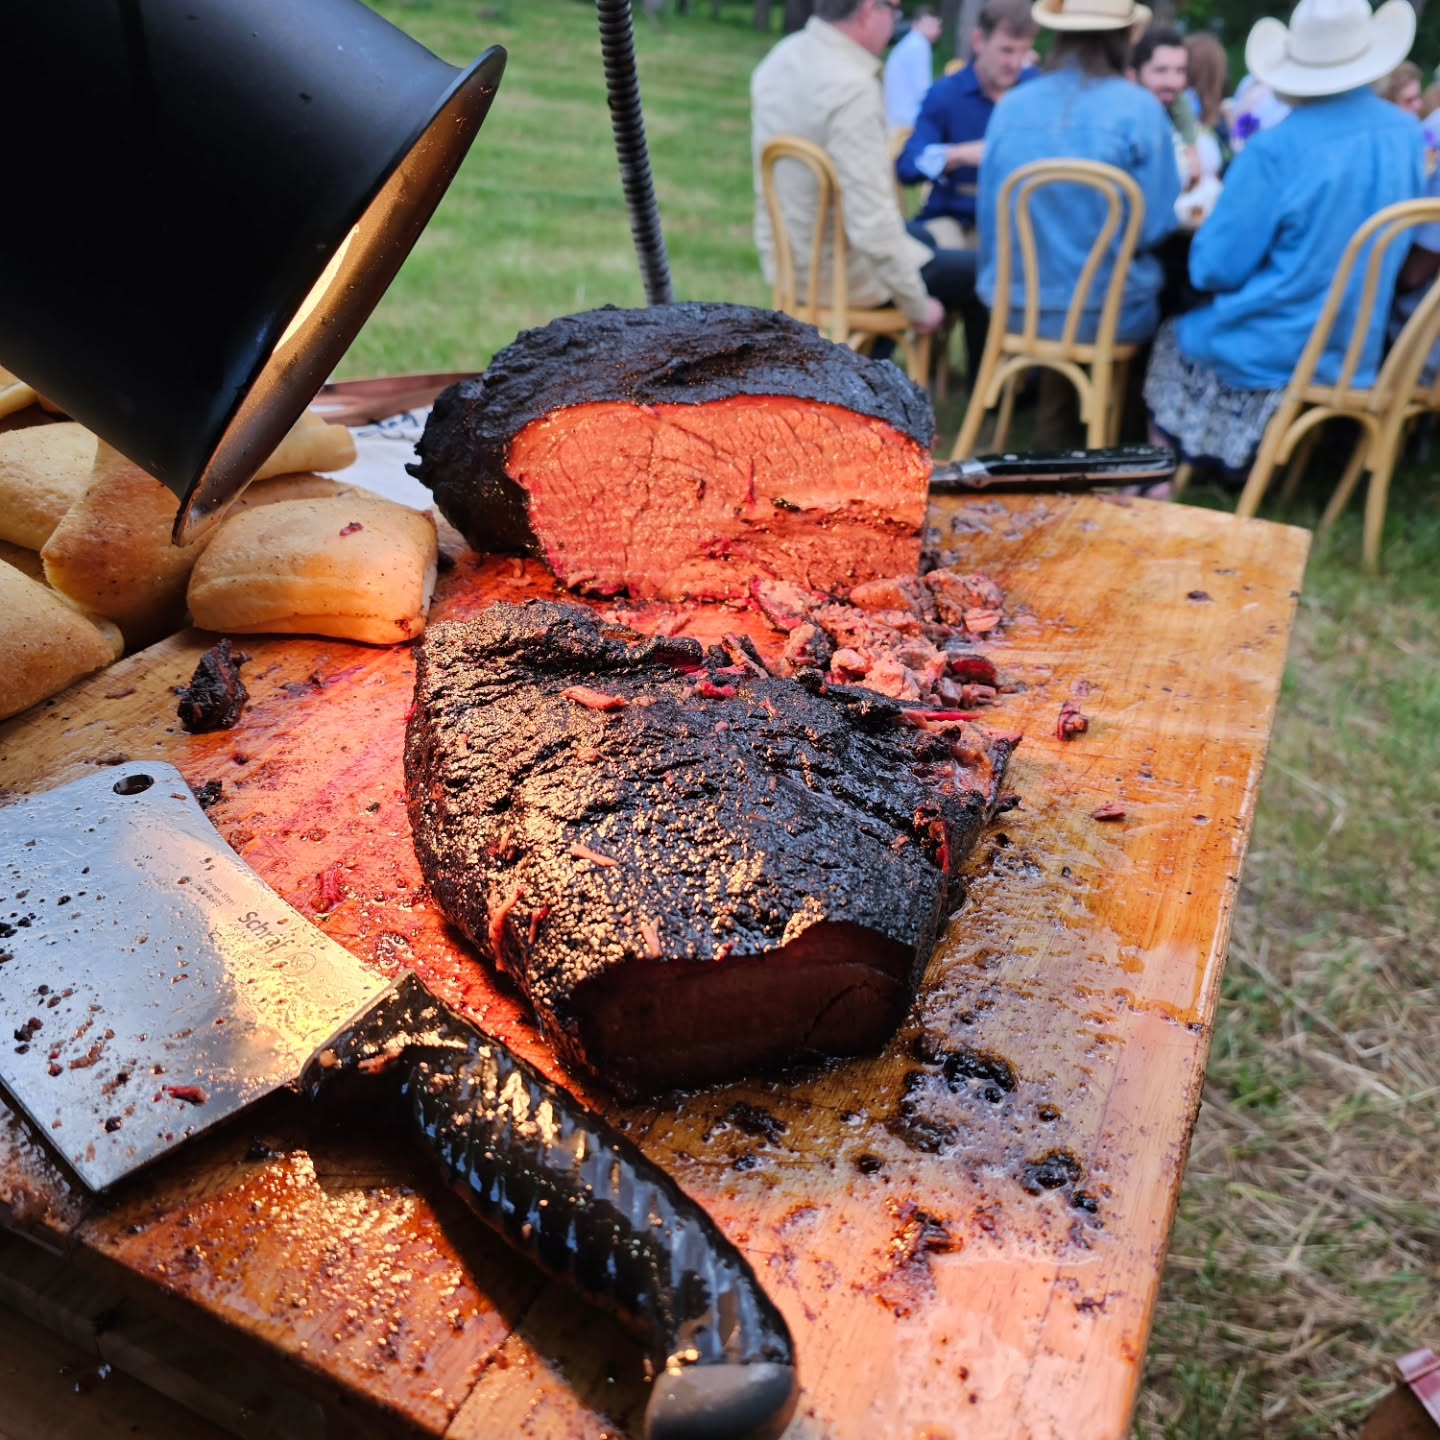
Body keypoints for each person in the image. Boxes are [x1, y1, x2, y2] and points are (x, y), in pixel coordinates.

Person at [1144, 0, 1425, 478]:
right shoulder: (1407, 134)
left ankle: (1172, 467)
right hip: (1360, 344)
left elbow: (1213, 268)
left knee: (1174, 334)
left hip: (1276, 348)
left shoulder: (1277, 149)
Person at [752, 0, 981, 344]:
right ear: (868, 10)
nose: (895, 21)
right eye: (894, 10)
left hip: (790, 262)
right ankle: (990, 395)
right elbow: (871, 225)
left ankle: (870, 368)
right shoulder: (852, 88)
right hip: (842, 277)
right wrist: (919, 307)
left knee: (927, 238)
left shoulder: (781, 57)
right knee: (984, 272)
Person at [976, 0, 1180, 349]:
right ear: (1124, 38)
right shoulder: (1141, 109)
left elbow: (989, 217)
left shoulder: (1011, 106)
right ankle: (1119, 402)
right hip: (1107, 313)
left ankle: (1053, 400)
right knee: (1175, 283)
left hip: (1012, 305)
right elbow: (1154, 226)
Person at [895, 0, 1040, 247]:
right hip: (956, 220)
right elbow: (908, 167)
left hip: (1021, 222)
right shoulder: (946, 94)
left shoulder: (1036, 90)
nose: (1014, 64)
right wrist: (959, 155)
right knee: (939, 252)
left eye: (1023, 52)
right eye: (1006, 50)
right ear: (978, 41)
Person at [1130, 25, 1200, 191]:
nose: (1172, 82)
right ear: (1134, 75)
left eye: (1180, 71)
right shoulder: (1125, 117)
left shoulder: (1179, 104)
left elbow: (1195, 171)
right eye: (1161, 70)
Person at [884, 6, 943, 131]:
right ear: (916, 25)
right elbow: (922, 90)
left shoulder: (910, 42)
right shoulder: (920, 44)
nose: (936, 31)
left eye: (937, 26)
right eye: (930, 25)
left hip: (893, 115)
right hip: (906, 121)